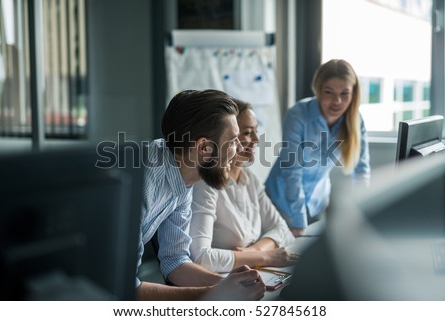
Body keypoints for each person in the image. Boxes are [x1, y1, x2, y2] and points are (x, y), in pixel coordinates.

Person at [136, 89, 266, 301]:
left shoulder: (184, 176)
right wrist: (216, 293)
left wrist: (227, 285)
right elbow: (127, 288)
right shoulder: (144, 182)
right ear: (204, 147)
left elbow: (175, 260)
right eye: (233, 140)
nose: (240, 147)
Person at [189, 98, 298, 273]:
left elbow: (281, 228)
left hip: (251, 271)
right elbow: (201, 259)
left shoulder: (249, 179)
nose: (256, 139)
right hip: (219, 280)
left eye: (256, 131)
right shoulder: (206, 184)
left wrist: (253, 252)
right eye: (247, 132)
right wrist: (266, 256)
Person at [265, 59, 370, 237]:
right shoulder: (298, 115)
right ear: (318, 90)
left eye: (345, 94)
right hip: (281, 202)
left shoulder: (355, 120)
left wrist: (365, 213)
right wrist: (298, 221)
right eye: (329, 92)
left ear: (353, 94)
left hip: (317, 202)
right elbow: (293, 170)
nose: (337, 101)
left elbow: (361, 170)